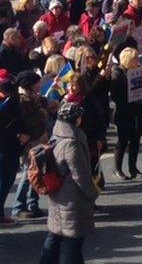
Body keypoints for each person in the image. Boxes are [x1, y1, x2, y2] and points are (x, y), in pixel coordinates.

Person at [39, 102, 99, 264]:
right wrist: (93, 193)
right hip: (72, 197)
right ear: (76, 119)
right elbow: (80, 174)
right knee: (74, 242)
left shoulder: (57, 135)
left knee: (55, 236)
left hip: (58, 194)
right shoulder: (72, 143)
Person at [11, 71, 48, 219]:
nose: (39, 85)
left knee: (37, 173)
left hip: (38, 140)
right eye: (37, 82)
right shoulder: (23, 100)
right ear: (29, 84)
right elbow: (30, 122)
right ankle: (19, 206)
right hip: (31, 142)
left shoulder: (33, 97)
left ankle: (33, 203)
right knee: (29, 174)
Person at [110, 47, 142, 180]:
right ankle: (117, 168)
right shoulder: (117, 73)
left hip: (137, 110)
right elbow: (116, 96)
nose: (137, 61)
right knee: (123, 140)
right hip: (123, 112)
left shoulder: (136, 71)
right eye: (135, 59)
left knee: (135, 140)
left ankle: (133, 168)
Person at [0, 70, 23, 226]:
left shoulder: (13, 100)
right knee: (4, 179)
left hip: (10, 145)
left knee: (7, 179)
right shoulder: (7, 102)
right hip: (4, 146)